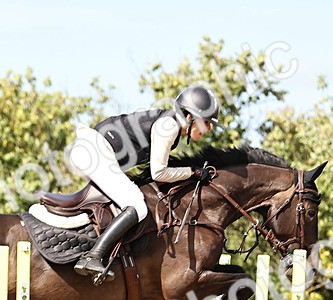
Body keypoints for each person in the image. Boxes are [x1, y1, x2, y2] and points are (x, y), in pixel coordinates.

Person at [66, 86, 219, 280]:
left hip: (94, 153)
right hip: (93, 153)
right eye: (206, 122)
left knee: (122, 202)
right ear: (190, 117)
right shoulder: (169, 126)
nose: (209, 129)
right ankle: (93, 256)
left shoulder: (170, 124)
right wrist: (193, 172)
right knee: (137, 205)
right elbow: (159, 172)